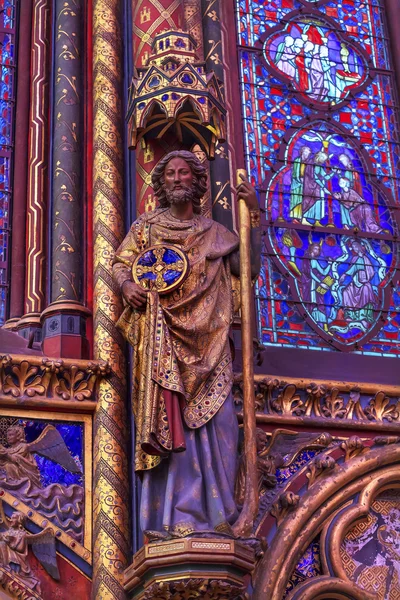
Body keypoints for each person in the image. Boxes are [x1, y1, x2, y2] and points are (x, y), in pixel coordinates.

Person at [112, 150, 261, 538]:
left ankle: (218, 515)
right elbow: (118, 264)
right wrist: (128, 285)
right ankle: (174, 518)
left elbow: (248, 269)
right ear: (161, 184)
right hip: (164, 343)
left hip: (211, 343)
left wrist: (253, 216)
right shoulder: (146, 228)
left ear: (196, 182)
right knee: (171, 422)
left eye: (184, 173)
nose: (177, 179)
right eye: (171, 174)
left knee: (220, 424)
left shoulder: (214, 233)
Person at [339, 240, 378, 329]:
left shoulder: (365, 259)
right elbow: (352, 268)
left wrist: (364, 275)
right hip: (355, 282)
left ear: (360, 247)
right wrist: (345, 275)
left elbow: (371, 271)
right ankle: (350, 316)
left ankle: (363, 317)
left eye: (356, 246)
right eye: (353, 247)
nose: (355, 249)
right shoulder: (354, 258)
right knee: (346, 292)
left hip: (364, 283)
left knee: (366, 292)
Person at [290, 146, 312, 221]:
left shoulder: (309, 163)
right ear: (302, 152)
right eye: (306, 152)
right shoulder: (297, 161)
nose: (307, 154)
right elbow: (295, 173)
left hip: (306, 185)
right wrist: (299, 179)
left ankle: (303, 218)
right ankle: (295, 217)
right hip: (297, 184)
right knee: (297, 200)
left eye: (308, 153)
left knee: (306, 201)